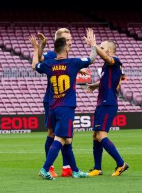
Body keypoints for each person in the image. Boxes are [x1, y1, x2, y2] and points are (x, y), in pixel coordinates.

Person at [31, 32, 94, 180]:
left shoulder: (49, 64)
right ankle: (45, 168)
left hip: (53, 106)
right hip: (66, 107)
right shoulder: (73, 62)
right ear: (65, 49)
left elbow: (35, 66)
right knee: (60, 138)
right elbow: (92, 58)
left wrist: (35, 49)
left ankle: (75, 170)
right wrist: (93, 46)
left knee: (66, 140)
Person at [86, 35, 129, 177]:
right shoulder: (107, 66)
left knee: (101, 135)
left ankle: (121, 163)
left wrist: (94, 45)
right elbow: (107, 80)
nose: (100, 50)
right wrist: (94, 85)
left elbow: (107, 58)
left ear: (110, 50)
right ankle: (97, 168)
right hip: (102, 102)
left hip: (108, 102)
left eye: (103, 48)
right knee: (95, 135)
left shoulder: (114, 60)